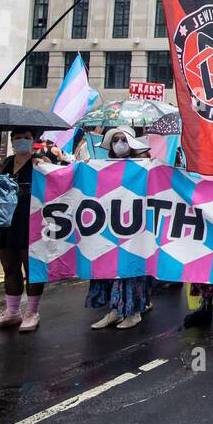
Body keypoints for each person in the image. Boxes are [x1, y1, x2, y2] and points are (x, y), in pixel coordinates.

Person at [0, 129, 65, 333]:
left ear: (33, 142)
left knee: (32, 269)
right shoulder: (5, 164)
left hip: (32, 223)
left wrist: (46, 168)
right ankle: (12, 312)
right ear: (12, 141)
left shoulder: (40, 161)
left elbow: (56, 183)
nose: (22, 141)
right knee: (10, 267)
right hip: (6, 222)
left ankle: (31, 311)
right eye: (18, 138)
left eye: (26, 138)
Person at [87, 128, 153, 330]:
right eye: (115, 140)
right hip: (109, 226)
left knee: (130, 269)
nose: (119, 143)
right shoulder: (103, 167)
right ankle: (116, 310)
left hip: (135, 228)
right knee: (110, 269)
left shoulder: (143, 167)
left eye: (123, 139)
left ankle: (133, 312)